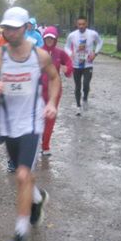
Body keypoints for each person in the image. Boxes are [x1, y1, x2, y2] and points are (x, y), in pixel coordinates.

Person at [0, 7, 60, 241]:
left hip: (32, 122)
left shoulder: (39, 56)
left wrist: (51, 103)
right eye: (6, 27)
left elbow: (55, 79)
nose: (9, 32)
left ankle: (20, 233)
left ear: (27, 28)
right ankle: (37, 199)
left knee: (22, 175)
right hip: (7, 123)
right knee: (23, 174)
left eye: (15, 27)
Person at [41, 26, 73, 156]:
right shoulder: (38, 51)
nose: (49, 40)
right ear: (44, 38)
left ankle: (46, 145)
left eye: (52, 38)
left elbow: (70, 63)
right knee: (39, 117)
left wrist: (68, 70)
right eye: (47, 38)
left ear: (55, 39)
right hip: (39, 90)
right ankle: (38, 140)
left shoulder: (59, 53)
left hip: (54, 90)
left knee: (50, 117)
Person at [65, 16, 103, 116]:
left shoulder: (92, 34)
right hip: (76, 65)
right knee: (78, 86)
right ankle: (78, 106)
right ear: (76, 24)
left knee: (86, 84)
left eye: (83, 24)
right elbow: (66, 47)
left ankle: (85, 98)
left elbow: (100, 42)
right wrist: (70, 53)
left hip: (88, 64)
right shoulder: (72, 35)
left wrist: (95, 53)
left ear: (86, 24)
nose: (81, 26)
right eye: (79, 24)